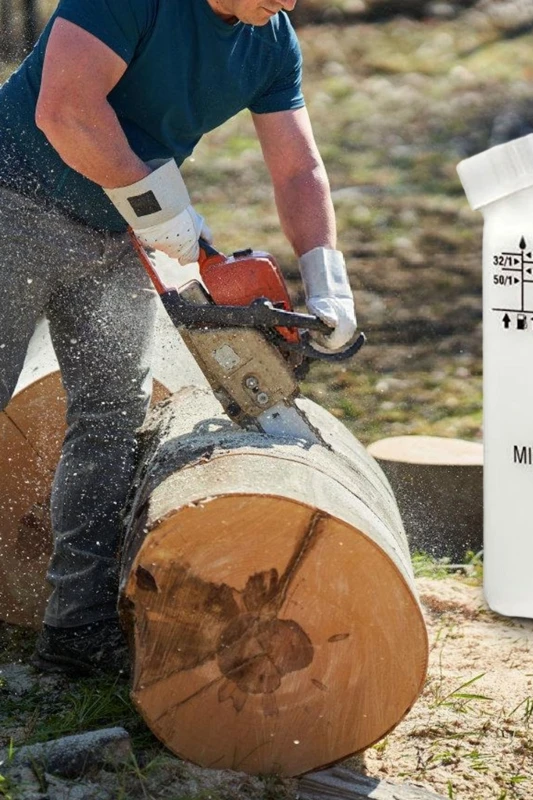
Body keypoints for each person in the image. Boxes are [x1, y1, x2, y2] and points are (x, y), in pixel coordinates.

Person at [0, 0, 357, 677]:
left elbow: (297, 169)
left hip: (118, 232)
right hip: (12, 199)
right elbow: (65, 110)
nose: (288, 3)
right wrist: (162, 210)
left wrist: (325, 275)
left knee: (112, 419)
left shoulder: (270, 40)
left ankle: (76, 627)